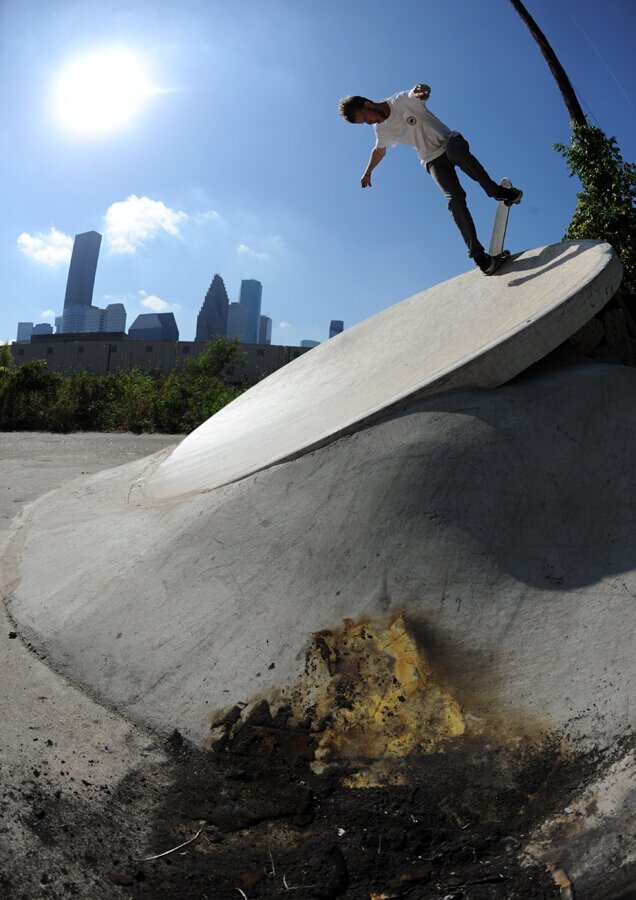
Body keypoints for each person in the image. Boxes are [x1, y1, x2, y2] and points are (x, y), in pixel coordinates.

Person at [338, 85, 523, 275]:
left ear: (368, 104)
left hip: (450, 142)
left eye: (366, 118)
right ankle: (479, 257)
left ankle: (497, 191)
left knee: (456, 151)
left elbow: (417, 92)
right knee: (454, 199)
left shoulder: (401, 100)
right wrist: (368, 172)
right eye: (364, 123)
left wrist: (422, 90)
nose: (369, 123)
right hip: (431, 159)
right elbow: (379, 150)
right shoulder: (381, 130)